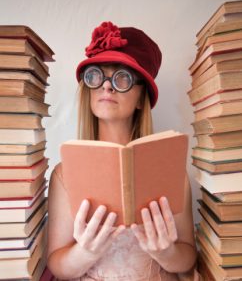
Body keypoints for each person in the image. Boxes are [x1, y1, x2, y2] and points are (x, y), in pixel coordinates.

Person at [47, 21, 198, 281]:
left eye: (122, 78)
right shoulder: (64, 173)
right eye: (96, 75)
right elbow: (57, 265)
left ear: (142, 98)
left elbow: (188, 258)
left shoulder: (171, 169)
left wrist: (166, 252)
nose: (106, 86)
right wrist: (84, 252)